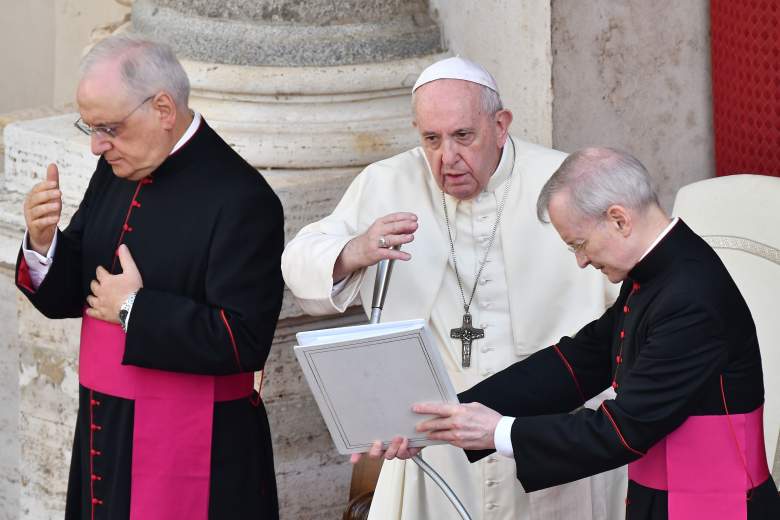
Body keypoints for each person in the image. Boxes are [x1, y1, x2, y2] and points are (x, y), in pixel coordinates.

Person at [282, 57, 625, 520]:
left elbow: (632, 296)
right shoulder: (387, 182)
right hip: (436, 436)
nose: (447, 157)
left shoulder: (563, 179)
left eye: (464, 136)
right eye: (431, 139)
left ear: (500, 125)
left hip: (549, 431)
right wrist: (353, 251)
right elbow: (299, 260)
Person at [404, 147, 780, 519]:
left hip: (717, 505)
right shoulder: (658, 272)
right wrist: (449, 415)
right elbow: (580, 360)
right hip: (667, 501)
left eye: (579, 244)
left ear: (618, 219)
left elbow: (624, 429)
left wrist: (499, 431)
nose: (581, 261)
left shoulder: (690, 295)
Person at [16, 34, 283, 520]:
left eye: (109, 128)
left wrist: (133, 309)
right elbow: (72, 288)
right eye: (91, 128)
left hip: (199, 447)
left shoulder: (244, 198)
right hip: (106, 426)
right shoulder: (116, 168)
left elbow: (245, 339)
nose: (98, 145)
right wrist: (42, 242)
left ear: (163, 108)